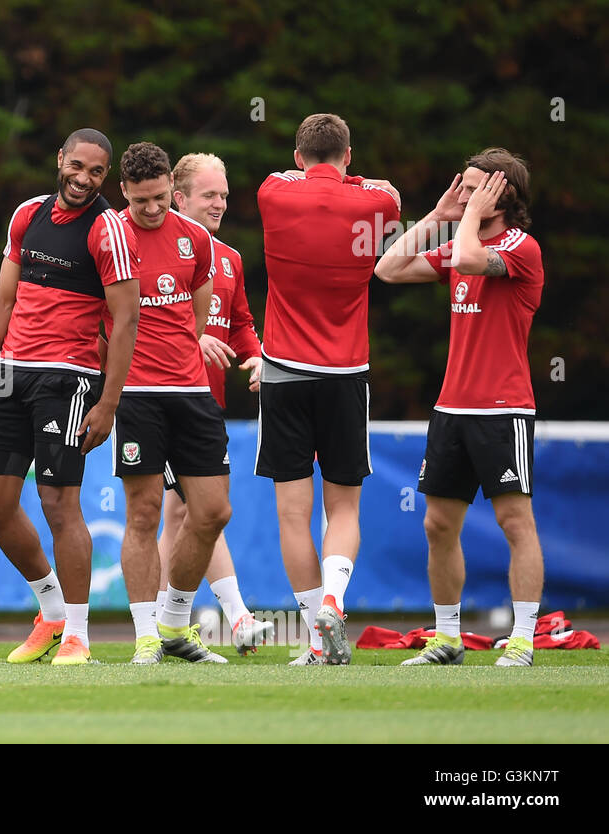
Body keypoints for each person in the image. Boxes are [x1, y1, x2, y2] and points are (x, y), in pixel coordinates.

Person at [0, 128, 140, 665]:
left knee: (59, 504)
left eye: (97, 172)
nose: (84, 179)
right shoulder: (27, 214)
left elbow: (127, 319)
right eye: (77, 166)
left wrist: (109, 401)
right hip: (10, 377)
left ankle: (80, 635)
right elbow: (3, 297)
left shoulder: (108, 229)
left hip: (70, 379)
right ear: (59, 159)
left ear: (106, 177)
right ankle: (53, 612)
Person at [375, 149, 544, 667]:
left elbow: (471, 259)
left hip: (503, 409)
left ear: (504, 195)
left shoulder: (521, 246)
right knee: (437, 525)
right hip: (452, 408)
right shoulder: (460, 236)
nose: (465, 196)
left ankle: (522, 639)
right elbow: (389, 267)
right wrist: (438, 217)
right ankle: (447, 639)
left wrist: (465, 221)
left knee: (515, 522)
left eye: (476, 189)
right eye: (464, 189)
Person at [256, 114, 400, 665]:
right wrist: (363, 184)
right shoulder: (378, 206)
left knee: (293, 513)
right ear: (348, 156)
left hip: (283, 372)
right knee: (343, 507)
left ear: (298, 156)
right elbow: (390, 197)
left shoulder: (274, 193)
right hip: (345, 375)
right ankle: (335, 601)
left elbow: (281, 178)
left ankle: (315, 637)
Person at [104, 142, 231, 665]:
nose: (152, 210)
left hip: (191, 392)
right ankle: (146, 637)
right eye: (141, 202)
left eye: (160, 199)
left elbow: (199, 303)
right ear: (124, 194)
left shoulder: (195, 237)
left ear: (171, 192)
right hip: (136, 395)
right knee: (144, 513)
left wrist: (185, 344)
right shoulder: (108, 234)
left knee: (213, 511)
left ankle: (175, 623)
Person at [150, 152, 273, 656]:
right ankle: (237, 617)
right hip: (161, 397)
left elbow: (240, 321)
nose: (221, 203)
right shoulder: (152, 248)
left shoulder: (228, 258)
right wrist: (189, 338)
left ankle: (160, 630)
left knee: (182, 515)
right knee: (201, 510)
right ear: (180, 198)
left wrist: (258, 355)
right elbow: (137, 319)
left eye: (224, 194)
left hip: (207, 401)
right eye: (210, 195)